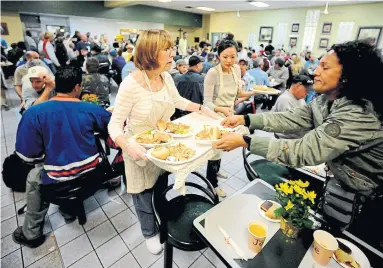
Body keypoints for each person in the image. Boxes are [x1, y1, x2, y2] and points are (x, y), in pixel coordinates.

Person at [217, 40, 383, 198]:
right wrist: (246, 119)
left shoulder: (358, 113)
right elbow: (292, 118)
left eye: (324, 67)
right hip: (342, 181)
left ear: (348, 75)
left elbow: (304, 151)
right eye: (319, 65)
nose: (316, 71)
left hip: (367, 194)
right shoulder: (326, 99)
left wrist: (246, 141)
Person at [108, 29, 205, 255]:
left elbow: (177, 100)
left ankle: (161, 221)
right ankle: (148, 233)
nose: (173, 54)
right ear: (151, 52)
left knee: (160, 187)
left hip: (162, 145)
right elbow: (114, 125)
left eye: (172, 48)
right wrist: (128, 145)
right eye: (167, 49)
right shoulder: (131, 85)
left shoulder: (166, 77)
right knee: (143, 195)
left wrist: (202, 108)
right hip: (138, 149)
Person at [12, 66, 111, 248]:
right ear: (77, 88)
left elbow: (28, 155)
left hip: (58, 183)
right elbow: (113, 129)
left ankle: (31, 234)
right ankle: (69, 209)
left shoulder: (34, 113)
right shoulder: (91, 109)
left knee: (34, 176)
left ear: (55, 85)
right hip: (93, 176)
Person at [204, 39, 258, 197]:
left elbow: (239, 94)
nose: (229, 60)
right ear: (219, 55)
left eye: (233, 56)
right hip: (214, 116)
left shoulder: (235, 69)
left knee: (223, 148)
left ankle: (216, 171)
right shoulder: (213, 73)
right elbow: (206, 103)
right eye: (225, 56)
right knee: (215, 150)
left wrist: (255, 92)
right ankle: (212, 184)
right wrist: (222, 109)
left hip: (229, 115)